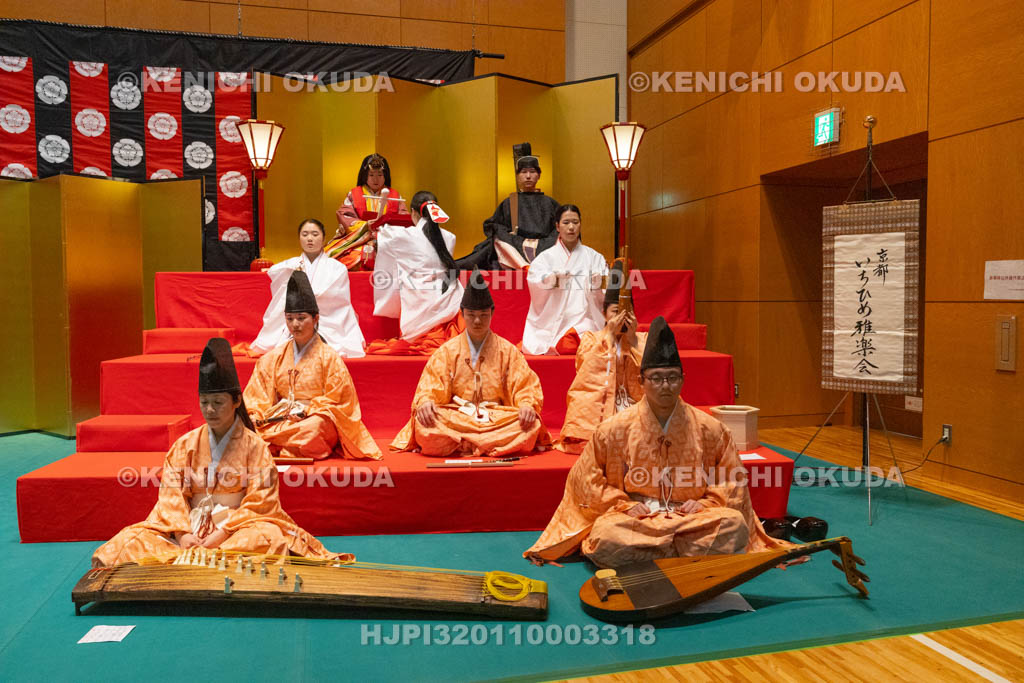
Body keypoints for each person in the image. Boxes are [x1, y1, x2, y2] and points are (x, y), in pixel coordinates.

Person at [525, 317, 789, 567]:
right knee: (606, 535)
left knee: (733, 524)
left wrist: (707, 503)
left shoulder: (711, 428)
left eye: (672, 377)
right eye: (657, 378)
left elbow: (731, 479)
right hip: (638, 518)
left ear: (683, 380)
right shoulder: (614, 428)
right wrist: (624, 505)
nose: (665, 385)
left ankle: (652, 554)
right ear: (642, 381)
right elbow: (586, 480)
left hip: (693, 518)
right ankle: (684, 553)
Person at [92, 338, 349, 567]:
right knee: (129, 540)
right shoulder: (185, 445)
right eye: (204, 402)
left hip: (235, 529)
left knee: (266, 538)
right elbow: (171, 497)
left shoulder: (255, 447)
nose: (210, 410)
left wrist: (220, 535)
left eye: (218, 402)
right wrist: (184, 535)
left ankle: (196, 559)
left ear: (237, 401)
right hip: (189, 527)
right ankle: (195, 556)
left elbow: (261, 501)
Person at [391, 268, 550, 457]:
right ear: (462, 313)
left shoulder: (507, 351)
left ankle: (463, 445)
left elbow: (524, 385)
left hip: (496, 418)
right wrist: (426, 402)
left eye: (483, 315)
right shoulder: (448, 351)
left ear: (491, 313)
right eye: (471, 314)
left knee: (530, 426)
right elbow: (431, 386)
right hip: (458, 416)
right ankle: (488, 445)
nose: (477, 321)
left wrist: (526, 405)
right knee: (424, 426)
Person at [244, 271, 381, 461]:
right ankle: (289, 447)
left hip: (310, 419)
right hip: (280, 418)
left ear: (316, 319)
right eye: (290, 318)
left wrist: (308, 409)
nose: (295, 324)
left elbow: (340, 402)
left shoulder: (329, 358)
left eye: (301, 318)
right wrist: (253, 415)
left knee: (315, 428)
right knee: (246, 424)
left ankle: (276, 446)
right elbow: (256, 397)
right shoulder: (272, 358)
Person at [556, 259, 646, 453]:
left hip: (634, 404)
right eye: (616, 311)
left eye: (627, 312)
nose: (621, 317)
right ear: (604, 313)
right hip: (599, 404)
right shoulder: (591, 339)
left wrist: (633, 340)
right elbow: (585, 374)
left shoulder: (643, 339)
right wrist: (610, 337)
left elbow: (651, 376)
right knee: (581, 405)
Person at [249, 218, 365, 359]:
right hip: (297, 319)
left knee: (331, 346)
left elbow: (339, 301)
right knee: (286, 345)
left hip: (327, 319)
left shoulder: (337, 268)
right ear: (299, 239)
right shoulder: (289, 265)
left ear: (324, 238)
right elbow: (276, 282)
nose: (310, 239)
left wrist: (307, 293)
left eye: (315, 234)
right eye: (305, 234)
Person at [366, 190, 465, 355]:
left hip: (419, 301)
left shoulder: (402, 236)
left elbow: (378, 237)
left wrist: (375, 223)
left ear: (413, 212)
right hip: (448, 300)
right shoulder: (450, 237)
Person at [521, 205, 608, 355]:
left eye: (575, 222)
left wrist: (597, 284)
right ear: (557, 226)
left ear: (580, 224)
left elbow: (606, 291)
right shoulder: (545, 258)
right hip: (552, 320)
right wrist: (553, 280)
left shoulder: (594, 257)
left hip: (584, 318)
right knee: (550, 342)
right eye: (566, 222)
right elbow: (535, 281)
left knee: (586, 339)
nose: (571, 227)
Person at [455, 152, 560, 270]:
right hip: (514, 245)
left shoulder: (550, 203)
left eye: (532, 172)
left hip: (545, 245)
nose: (528, 176)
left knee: (560, 240)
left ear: (539, 175)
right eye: (524, 172)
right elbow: (493, 225)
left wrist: (550, 241)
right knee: (499, 241)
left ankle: (538, 265)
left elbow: (559, 227)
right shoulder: (510, 202)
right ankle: (523, 266)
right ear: (517, 176)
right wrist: (506, 235)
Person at [326, 153, 411, 270]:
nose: (375, 179)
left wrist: (387, 230)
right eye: (371, 175)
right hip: (361, 239)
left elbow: (403, 219)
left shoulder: (395, 195)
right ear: (364, 175)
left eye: (380, 175)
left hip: (388, 240)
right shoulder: (354, 194)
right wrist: (366, 226)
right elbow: (345, 216)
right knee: (345, 259)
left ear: (385, 176)